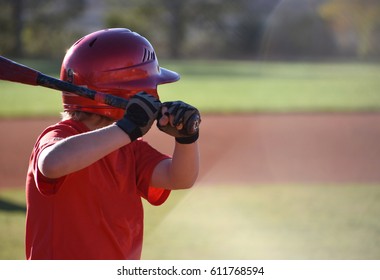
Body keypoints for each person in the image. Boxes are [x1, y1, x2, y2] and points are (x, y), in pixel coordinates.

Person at [25, 28, 200, 260]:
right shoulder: (61, 135)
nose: (155, 97)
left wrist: (186, 138)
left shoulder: (129, 148)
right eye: (149, 88)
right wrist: (126, 128)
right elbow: (52, 164)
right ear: (128, 93)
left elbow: (180, 178)